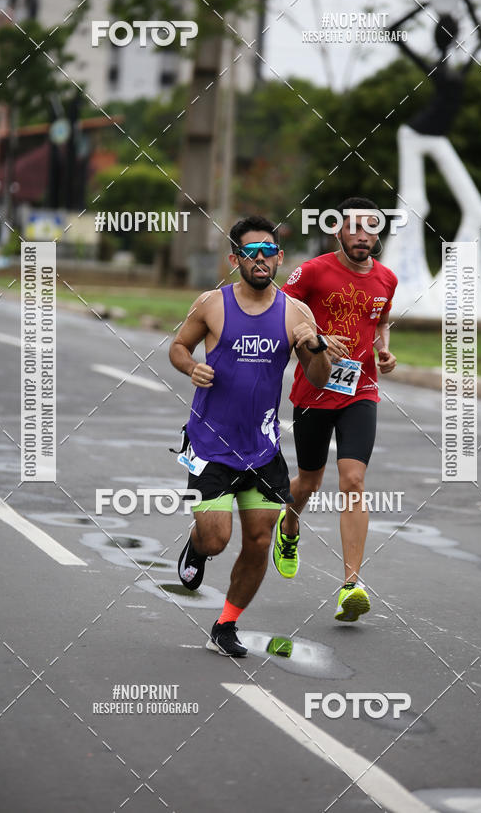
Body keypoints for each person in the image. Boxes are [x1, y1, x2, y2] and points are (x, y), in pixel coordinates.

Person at [169, 215, 331, 657]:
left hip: (261, 450)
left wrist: (313, 346)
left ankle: (226, 624)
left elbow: (318, 379)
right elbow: (178, 347)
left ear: (279, 257)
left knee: (259, 540)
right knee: (217, 539)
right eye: (249, 252)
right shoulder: (212, 304)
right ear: (235, 258)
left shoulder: (297, 313)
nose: (259, 260)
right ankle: (197, 547)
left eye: (267, 252)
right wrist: (191, 366)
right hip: (209, 446)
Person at [273, 198, 398, 623]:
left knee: (354, 479)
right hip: (314, 389)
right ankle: (289, 527)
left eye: (371, 228)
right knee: (309, 480)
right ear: (338, 232)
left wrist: (384, 349)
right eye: (354, 227)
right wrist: (318, 338)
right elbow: (280, 311)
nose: (362, 234)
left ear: (378, 235)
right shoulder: (312, 272)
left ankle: (351, 586)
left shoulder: (387, 278)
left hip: (361, 391)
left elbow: (380, 319)